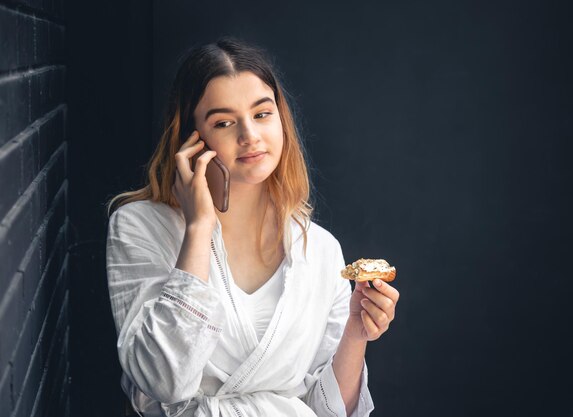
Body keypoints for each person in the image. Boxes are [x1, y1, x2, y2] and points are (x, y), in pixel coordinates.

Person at [105, 36, 400, 417]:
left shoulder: (320, 250)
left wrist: (356, 333)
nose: (250, 136)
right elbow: (163, 380)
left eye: (262, 114)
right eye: (224, 122)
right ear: (192, 139)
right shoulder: (140, 226)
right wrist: (198, 227)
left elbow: (330, 411)